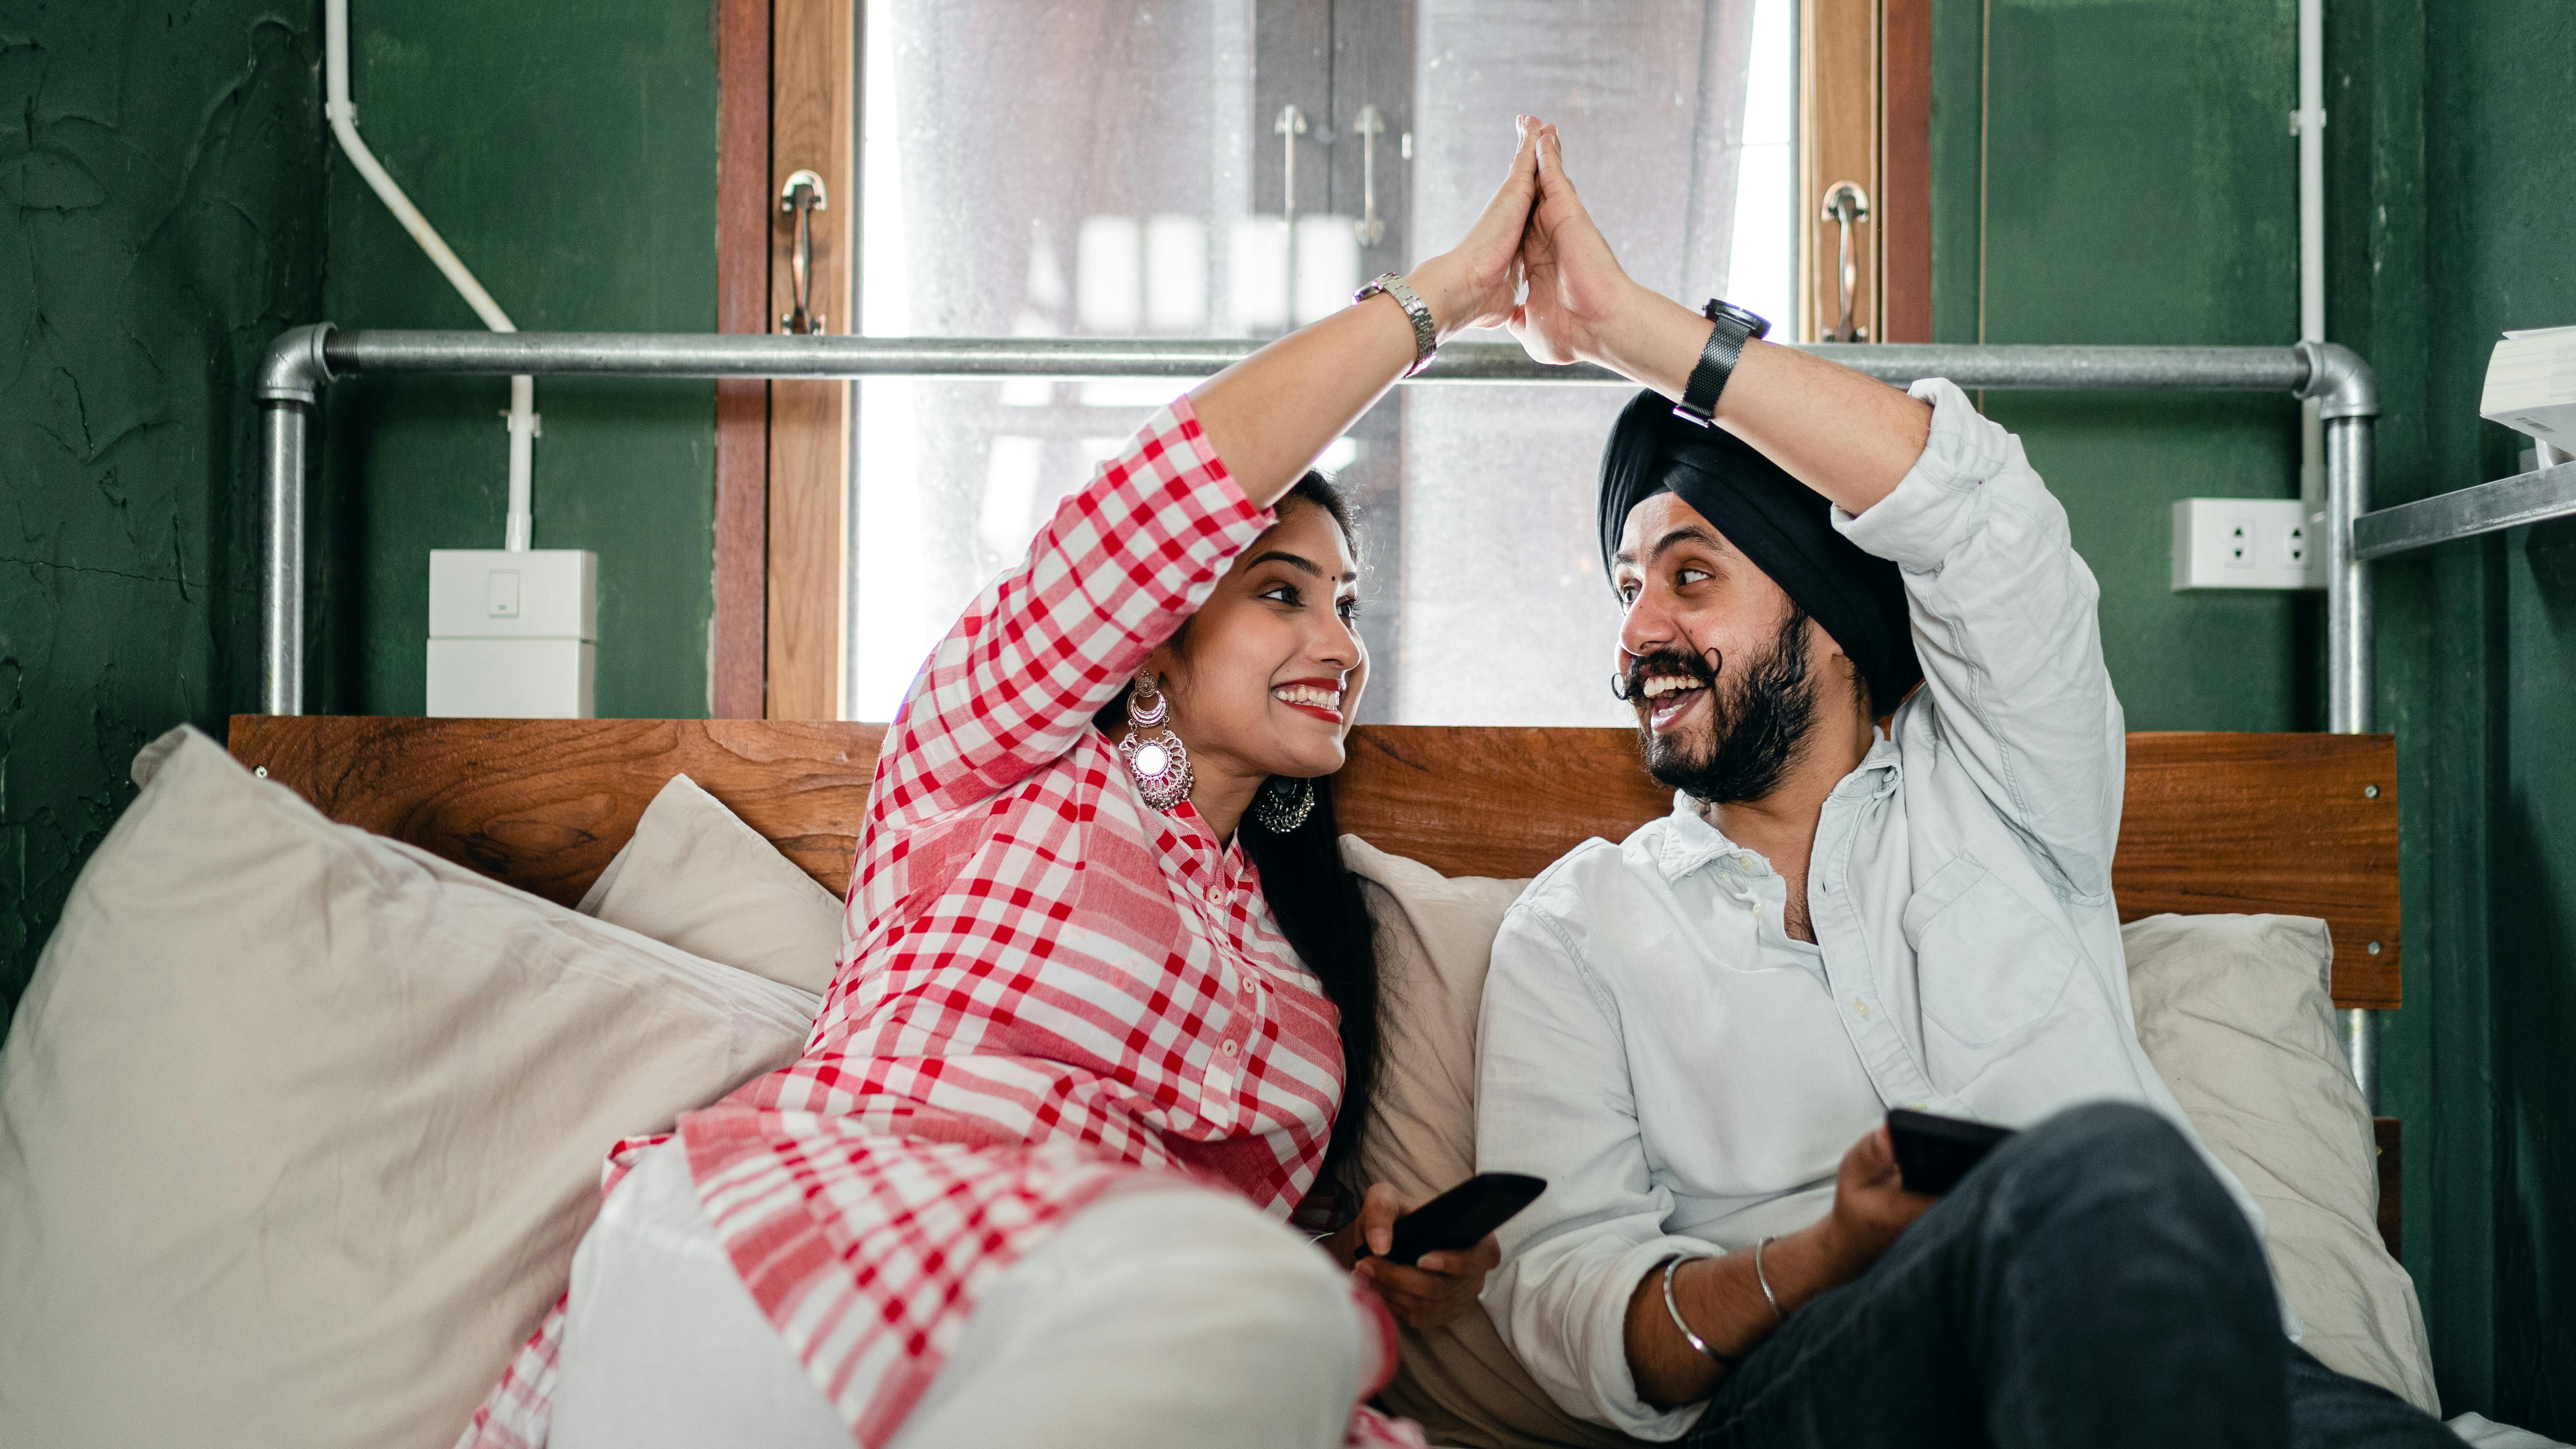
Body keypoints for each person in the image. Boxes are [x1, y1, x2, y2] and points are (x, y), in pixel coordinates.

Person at [458, 121, 1563, 1449]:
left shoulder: (1303, 973)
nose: (1341, 645)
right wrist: (1440, 295)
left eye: (1351, 606)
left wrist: (1362, 1277)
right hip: (811, 1245)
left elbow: (1206, 1292)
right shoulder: (996, 752)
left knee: (1284, 1347)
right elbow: (1150, 508)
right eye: (1284, 594)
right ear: (1155, 629)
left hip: (1091, 1346)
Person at [1472, 120, 2459, 1449]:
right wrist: (1829, 1252)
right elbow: (1585, 1321)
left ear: (1826, 612)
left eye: (1690, 575)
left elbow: (1979, 508)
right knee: (2103, 1168)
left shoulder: (2009, 781)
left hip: (2166, 1350)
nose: (1637, 629)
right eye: (1625, 586)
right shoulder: (1577, 932)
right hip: (1819, 1390)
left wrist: (1636, 332)